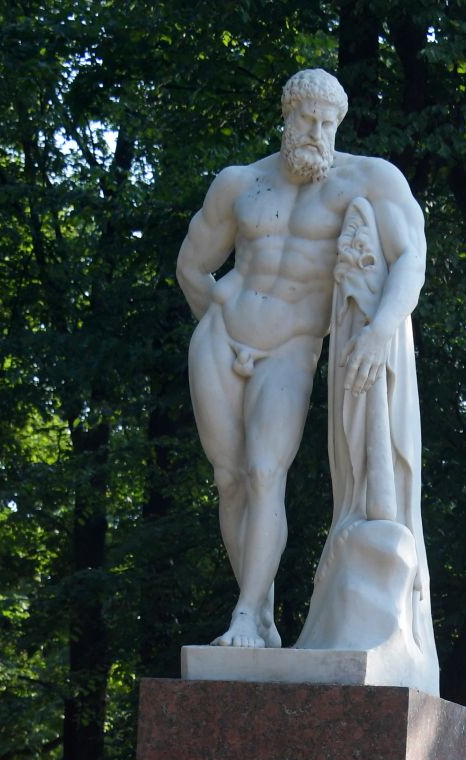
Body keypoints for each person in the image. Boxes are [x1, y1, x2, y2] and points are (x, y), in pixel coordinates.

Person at [178, 67, 434, 685]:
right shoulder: (240, 183)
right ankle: (260, 618)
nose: (317, 132)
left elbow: (411, 257)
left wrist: (379, 328)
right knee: (230, 481)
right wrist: (220, 316)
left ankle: (244, 612)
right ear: (287, 117)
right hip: (220, 339)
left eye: (328, 123)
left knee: (267, 472)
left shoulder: (367, 180)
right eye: (306, 119)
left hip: (295, 347)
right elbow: (192, 265)